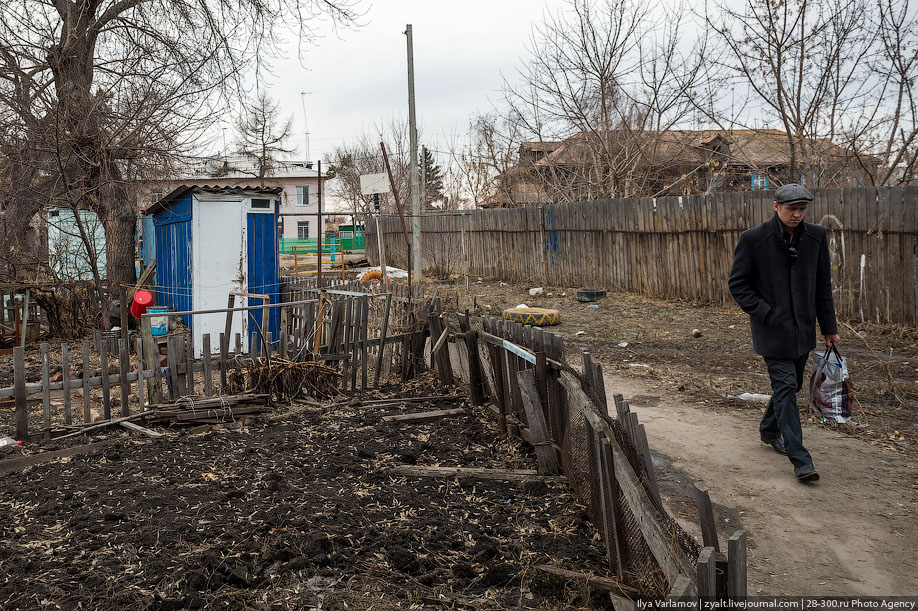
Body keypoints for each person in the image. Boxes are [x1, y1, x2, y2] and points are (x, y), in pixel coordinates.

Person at [728, 183, 840, 482]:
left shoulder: (816, 236)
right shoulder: (754, 239)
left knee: (790, 386)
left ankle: (768, 430)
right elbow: (738, 284)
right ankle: (801, 459)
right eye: (792, 209)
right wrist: (767, 313)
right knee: (787, 388)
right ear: (775, 207)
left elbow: (822, 286)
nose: (798, 214)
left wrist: (829, 328)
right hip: (772, 331)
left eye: (802, 209)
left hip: (803, 330)